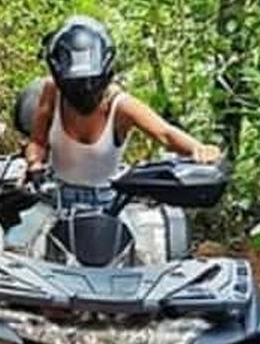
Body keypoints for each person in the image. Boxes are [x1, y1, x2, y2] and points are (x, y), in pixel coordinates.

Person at [25, 16, 221, 207]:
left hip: (107, 204)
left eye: (90, 84)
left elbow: (165, 133)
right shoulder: (52, 91)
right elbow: (37, 141)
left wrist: (198, 149)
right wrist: (34, 164)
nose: (83, 90)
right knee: (14, 236)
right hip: (55, 197)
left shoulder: (120, 105)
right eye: (75, 85)